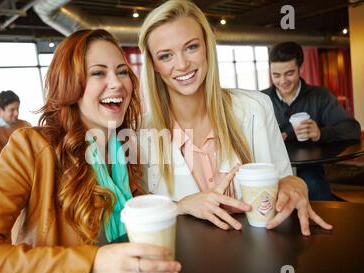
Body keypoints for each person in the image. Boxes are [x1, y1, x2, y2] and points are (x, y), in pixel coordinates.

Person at [0, 29, 180, 273]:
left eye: (122, 71)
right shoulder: (30, 146)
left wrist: (182, 206)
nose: (117, 83)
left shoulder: (124, 147)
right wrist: (89, 267)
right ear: (70, 84)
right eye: (98, 73)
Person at [138, 0, 332, 236]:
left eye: (191, 47)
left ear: (208, 47)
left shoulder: (256, 107)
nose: (182, 64)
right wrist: (180, 206)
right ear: (154, 66)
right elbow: (141, 216)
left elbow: (284, 179)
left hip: (258, 258)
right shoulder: (141, 134)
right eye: (166, 56)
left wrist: (295, 184)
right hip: (184, 264)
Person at [261, 42, 361, 200]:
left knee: (318, 193)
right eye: (276, 75)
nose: (283, 81)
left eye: (289, 73)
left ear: (301, 69)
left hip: (310, 168)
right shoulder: (262, 100)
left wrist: (320, 133)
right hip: (272, 169)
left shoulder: (320, 96)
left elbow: (352, 129)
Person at [0, 90, 31, 167]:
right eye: (12, 110)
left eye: (17, 109)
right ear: (0, 109)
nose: (16, 113)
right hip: (8, 173)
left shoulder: (25, 124)